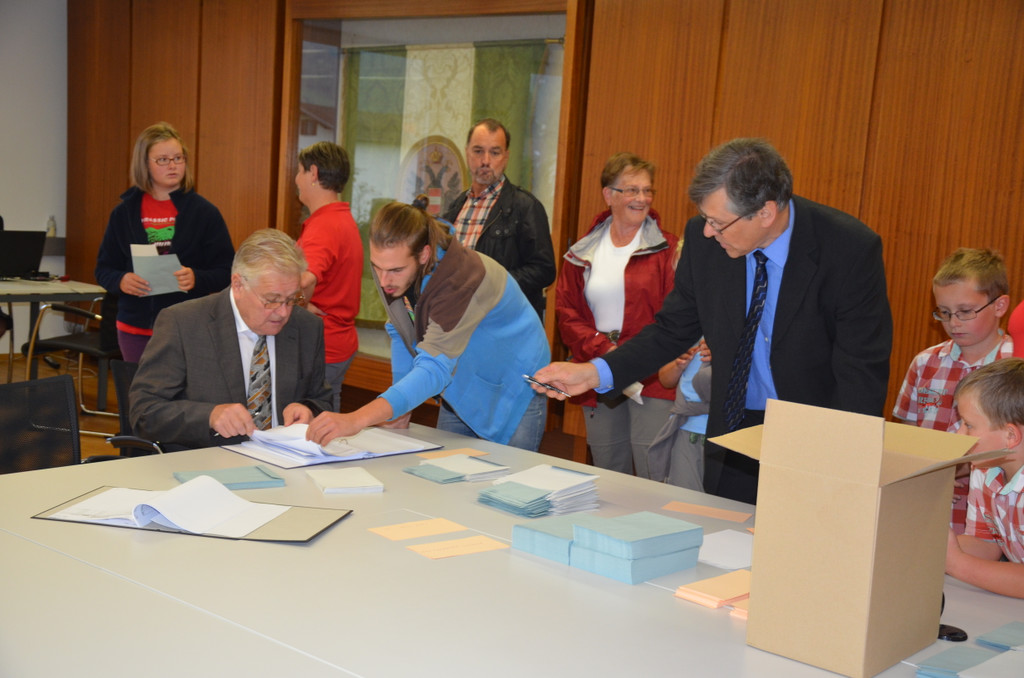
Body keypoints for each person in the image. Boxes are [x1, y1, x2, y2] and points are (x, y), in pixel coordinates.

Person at [531, 138, 893, 504]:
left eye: (718, 223)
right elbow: (671, 329)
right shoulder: (706, 241)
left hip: (814, 436)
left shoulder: (848, 249)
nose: (707, 232)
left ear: (766, 212)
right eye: (706, 219)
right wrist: (595, 373)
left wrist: (843, 465)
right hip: (732, 429)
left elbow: (861, 371)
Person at [306, 197, 550, 451]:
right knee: (447, 468)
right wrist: (400, 407)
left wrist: (356, 419)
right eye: (377, 267)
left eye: (395, 270)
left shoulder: (461, 280)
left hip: (514, 381)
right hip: (460, 375)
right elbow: (401, 330)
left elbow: (434, 368)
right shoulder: (392, 265)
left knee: (508, 471)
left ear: (424, 254)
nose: (384, 280)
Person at [130, 229, 332, 451]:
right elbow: (144, 412)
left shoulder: (307, 326)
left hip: (286, 459)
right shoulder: (183, 323)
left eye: (292, 299)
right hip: (208, 461)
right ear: (238, 285)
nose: (284, 312)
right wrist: (209, 416)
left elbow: (322, 400)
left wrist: (309, 411)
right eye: (272, 300)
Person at [555, 152, 677, 476]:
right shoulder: (581, 252)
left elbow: (675, 317)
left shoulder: (669, 250)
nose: (642, 198)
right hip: (598, 369)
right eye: (632, 190)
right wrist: (605, 351)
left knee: (654, 474)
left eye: (647, 190)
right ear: (608, 195)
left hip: (653, 378)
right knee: (608, 473)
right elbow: (567, 315)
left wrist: (632, 355)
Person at [892, 248, 1012, 533]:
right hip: (925, 506)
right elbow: (906, 435)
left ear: (999, 306)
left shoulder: (1013, 367)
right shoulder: (925, 362)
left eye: (965, 312)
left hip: (990, 519)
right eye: (944, 313)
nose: (953, 322)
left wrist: (961, 470)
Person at [95, 122, 234, 362]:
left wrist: (197, 278)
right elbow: (104, 269)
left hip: (188, 327)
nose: (172, 165)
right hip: (135, 328)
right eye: (162, 160)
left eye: (178, 158)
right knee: (139, 386)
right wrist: (121, 280)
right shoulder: (124, 213)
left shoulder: (204, 212)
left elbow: (227, 270)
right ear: (144, 164)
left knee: (184, 387)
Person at [442, 118, 556, 319]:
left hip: (503, 322)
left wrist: (492, 284)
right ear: (467, 153)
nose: (485, 161)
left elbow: (544, 270)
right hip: (458, 321)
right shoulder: (456, 208)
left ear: (506, 157)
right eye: (478, 151)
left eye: (495, 152)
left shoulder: (526, 207)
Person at [945, 358, 1024, 598]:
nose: (959, 435)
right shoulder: (984, 467)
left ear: (1010, 436)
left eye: (968, 425)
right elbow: (986, 544)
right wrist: (930, 545)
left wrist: (957, 564)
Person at [294, 141, 363, 412]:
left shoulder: (323, 225)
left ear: (313, 173)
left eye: (299, 171)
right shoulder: (341, 218)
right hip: (337, 342)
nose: (296, 180)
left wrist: (296, 302)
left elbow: (305, 280)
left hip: (322, 345)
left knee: (311, 424)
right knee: (327, 416)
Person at [648, 339, 711, 491]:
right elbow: (665, 379)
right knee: (684, 497)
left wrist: (724, 356)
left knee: (724, 501)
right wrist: (678, 365)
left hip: (722, 430)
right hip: (686, 427)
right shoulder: (689, 331)